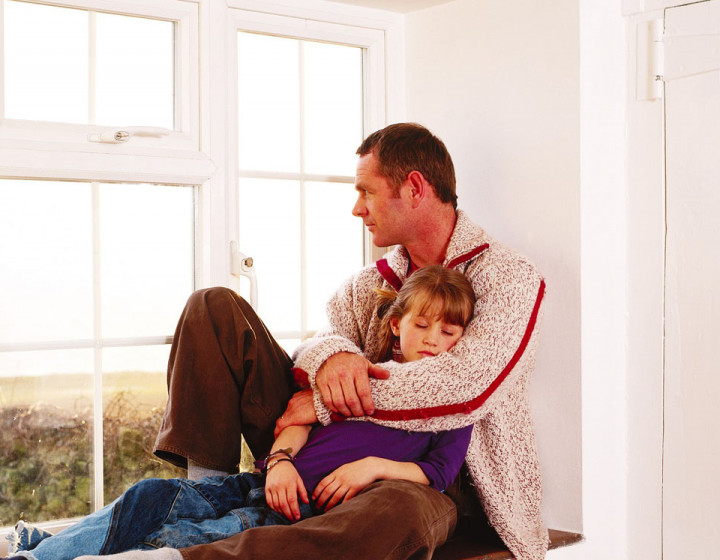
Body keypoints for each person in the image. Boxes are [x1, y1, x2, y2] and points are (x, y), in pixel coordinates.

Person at [153, 122, 548, 560]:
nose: (357, 208)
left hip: (431, 478)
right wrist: (331, 358)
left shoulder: (509, 276)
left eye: (367, 191)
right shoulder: (367, 284)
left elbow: (466, 385)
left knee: (392, 516)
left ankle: (188, 557)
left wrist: (322, 402)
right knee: (213, 306)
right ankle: (208, 496)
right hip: (318, 446)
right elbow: (315, 342)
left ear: (414, 188)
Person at [5, 266, 477, 560]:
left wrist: (371, 467)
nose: (434, 339)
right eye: (422, 324)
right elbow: (295, 422)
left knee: (187, 534)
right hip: (263, 485)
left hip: (300, 514)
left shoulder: (456, 405)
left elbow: (437, 471)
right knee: (149, 497)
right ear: (396, 325)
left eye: (449, 332)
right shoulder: (363, 376)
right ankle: (35, 551)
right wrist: (281, 463)